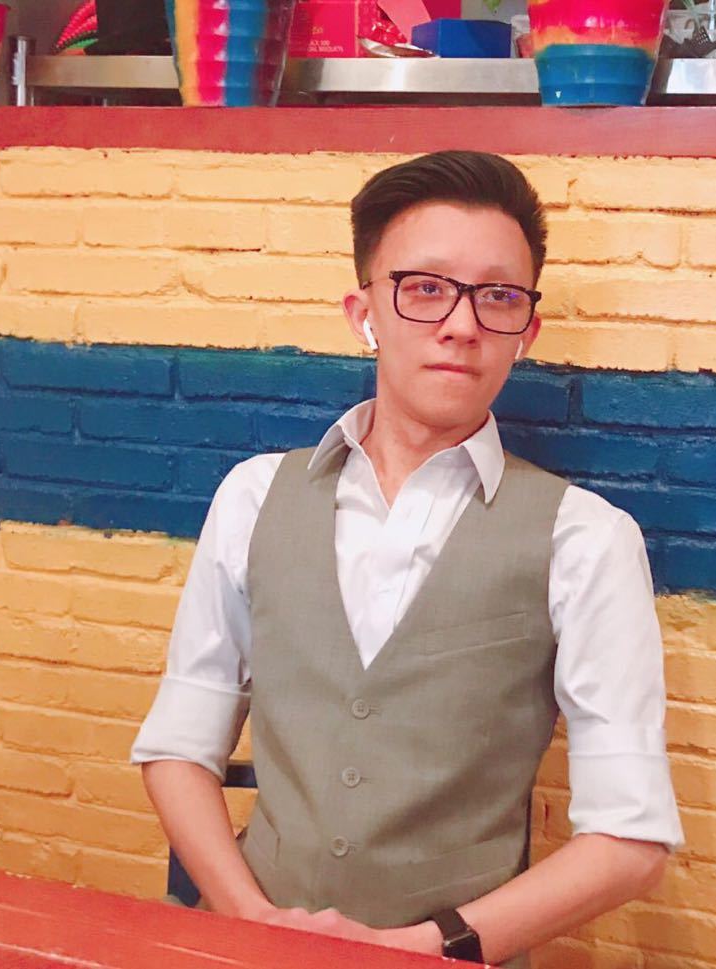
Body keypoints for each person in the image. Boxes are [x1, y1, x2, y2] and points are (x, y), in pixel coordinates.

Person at [131, 150, 683, 967]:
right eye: (424, 288)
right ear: (364, 313)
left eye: (497, 296)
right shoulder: (253, 496)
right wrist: (248, 916)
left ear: (525, 334)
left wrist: (421, 946)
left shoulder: (584, 537)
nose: (461, 324)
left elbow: (630, 839)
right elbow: (178, 744)